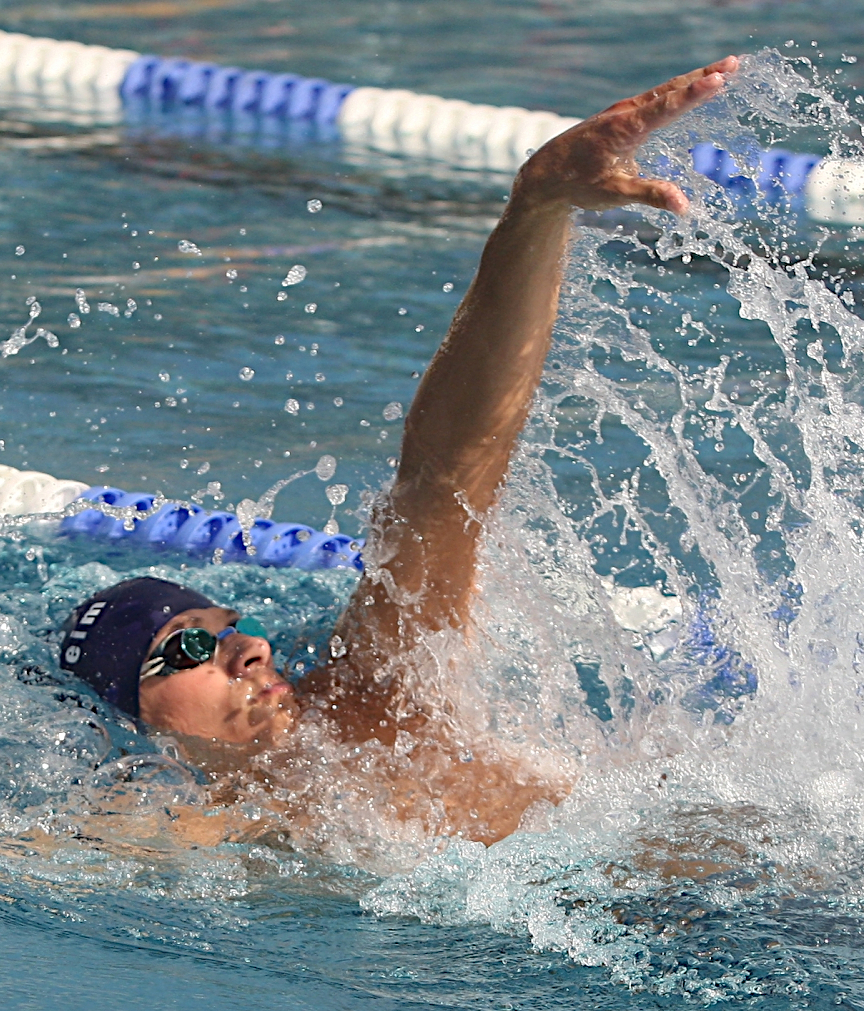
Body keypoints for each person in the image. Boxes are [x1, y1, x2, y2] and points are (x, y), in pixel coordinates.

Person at [58, 57, 741, 846]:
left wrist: (537, 206)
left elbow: (446, 477)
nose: (248, 649)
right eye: (190, 647)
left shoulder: (375, 691)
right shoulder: (196, 825)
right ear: (133, 714)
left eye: (225, 629)